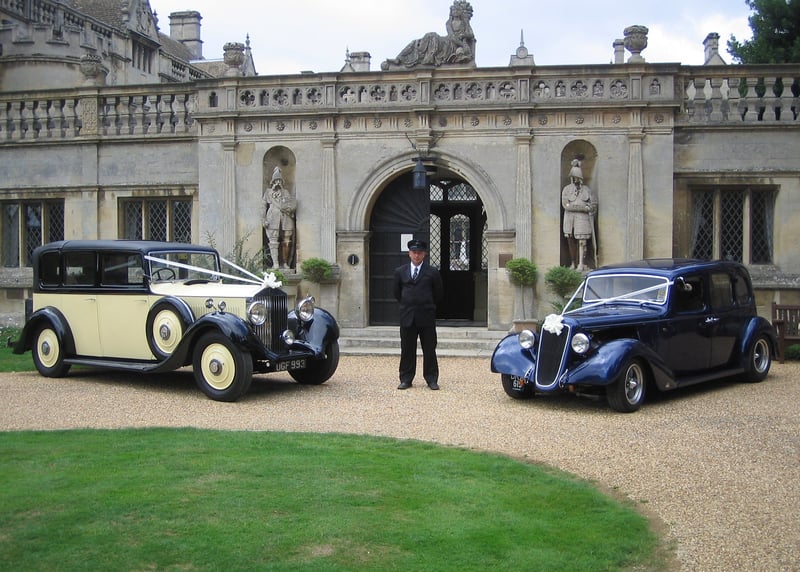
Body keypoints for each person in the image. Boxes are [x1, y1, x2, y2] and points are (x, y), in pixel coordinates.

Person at [393, 239, 444, 390]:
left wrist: (427, 305)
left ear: (424, 254)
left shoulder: (432, 272)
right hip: (407, 316)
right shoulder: (400, 272)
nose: (416, 255)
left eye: (419, 253)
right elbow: (397, 293)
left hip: (426, 316)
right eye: (414, 252)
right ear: (409, 253)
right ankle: (406, 378)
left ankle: (431, 379)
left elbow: (438, 293)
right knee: (407, 349)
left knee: (429, 350)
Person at [561, 159, 597, 270]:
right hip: (569, 219)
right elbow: (565, 205)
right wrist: (583, 208)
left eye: (577, 177)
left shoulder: (587, 190)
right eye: (574, 177)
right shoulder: (567, 190)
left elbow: (593, 205)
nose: (575, 180)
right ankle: (573, 263)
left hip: (583, 220)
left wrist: (585, 208)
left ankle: (581, 263)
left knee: (582, 242)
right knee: (570, 241)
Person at [263, 166, 296, 269]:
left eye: (279, 180)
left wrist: (288, 208)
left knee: (287, 241)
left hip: (286, 218)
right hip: (272, 218)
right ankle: (275, 263)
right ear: (273, 182)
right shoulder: (268, 192)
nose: (278, 182)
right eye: (276, 180)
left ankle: (285, 263)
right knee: (273, 241)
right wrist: (263, 219)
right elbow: (262, 206)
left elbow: (290, 205)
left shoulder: (285, 192)